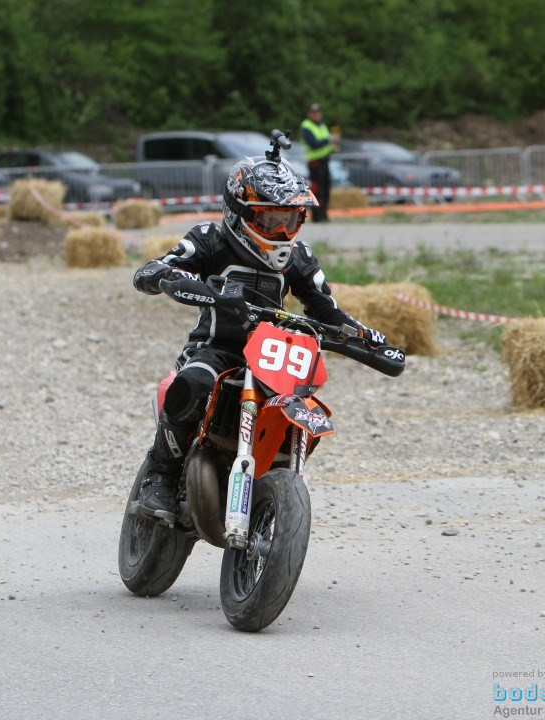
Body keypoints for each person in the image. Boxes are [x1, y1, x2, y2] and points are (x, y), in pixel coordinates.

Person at [131, 143, 385, 520]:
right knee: (195, 383)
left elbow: (326, 309)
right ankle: (161, 476)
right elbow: (154, 270)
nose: (281, 232)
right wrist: (172, 278)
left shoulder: (299, 258)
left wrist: (366, 337)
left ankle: (277, 486)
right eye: (269, 220)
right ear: (239, 213)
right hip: (215, 350)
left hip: (272, 358)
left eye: (291, 220)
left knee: (305, 406)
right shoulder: (209, 240)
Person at [300, 103, 335, 222]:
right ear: (309, 114)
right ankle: (317, 216)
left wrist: (332, 148)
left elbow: (328, 144)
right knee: (317, 190)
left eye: (318, 112)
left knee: (326, 189)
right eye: (314, 113)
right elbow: (313, 144)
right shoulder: (306, 126)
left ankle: (324, 215)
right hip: (315, 163)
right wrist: (326, 141)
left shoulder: (322, 126)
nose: (316, 115)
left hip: (325, 161)